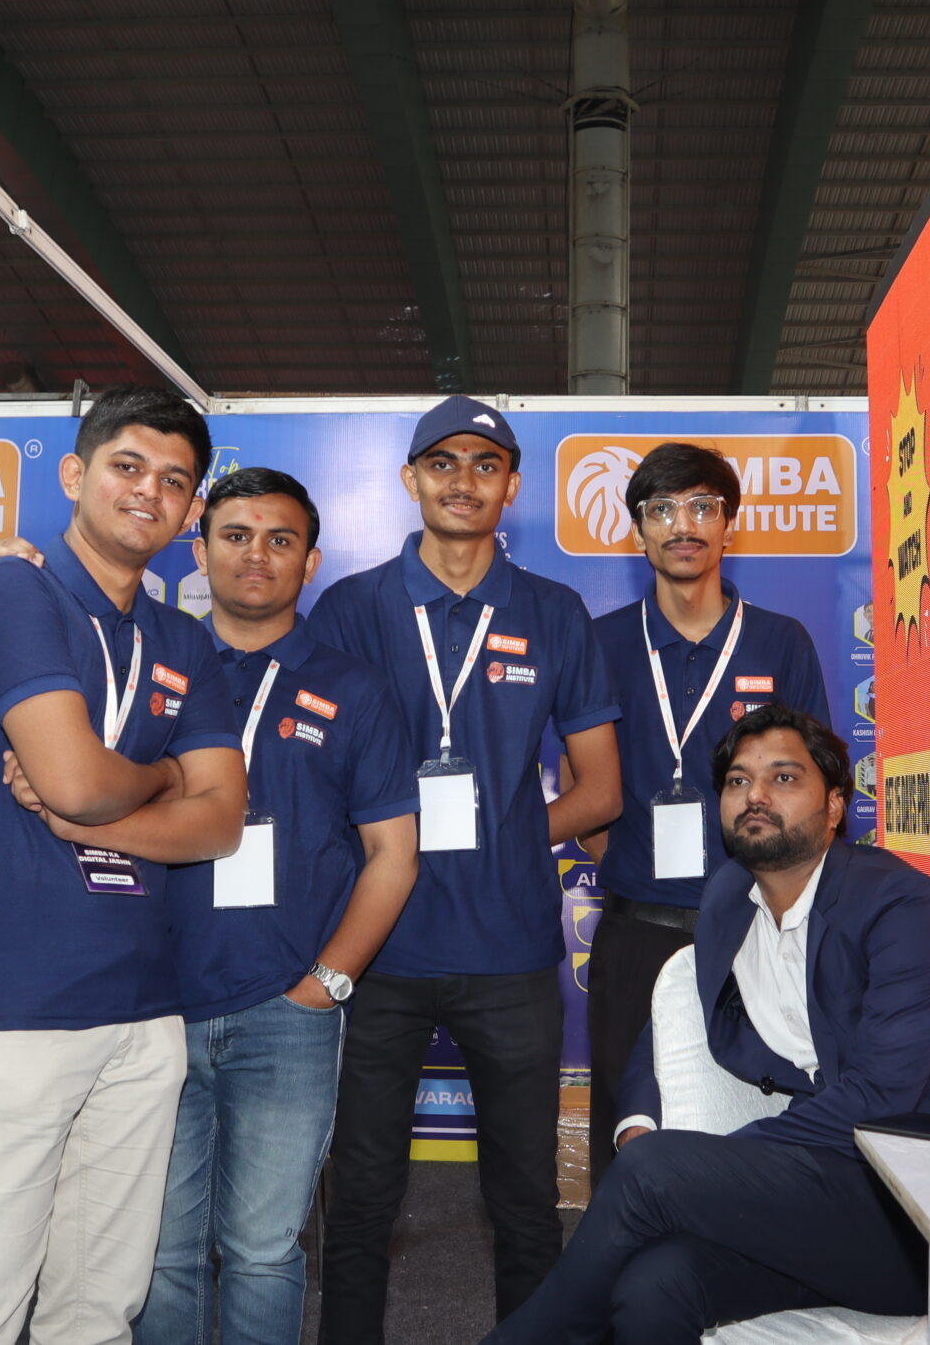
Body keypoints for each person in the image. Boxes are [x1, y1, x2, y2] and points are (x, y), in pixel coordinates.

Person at [0, 468, 425, 1345]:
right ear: (199, 551)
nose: (256, 554)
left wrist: (326, 985)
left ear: (311, 561)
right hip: (151, 1009)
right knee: (160, 1251)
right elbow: (70, 775)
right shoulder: (150, 669)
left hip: (287, 1011)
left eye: (280, 538)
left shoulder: (357, 688)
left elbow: (393, 856)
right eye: (235, 535)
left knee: (263, 1249)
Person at [487, 704, 930, 1345]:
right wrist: (640, 1123)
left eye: (783, 778)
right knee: (653, 1288)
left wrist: (716, 1160)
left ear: (835, 805)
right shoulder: (729, 897)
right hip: (808, 1199)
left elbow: (882, 1096)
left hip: (914, 1212)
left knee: (655, 1173)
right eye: (738, 781)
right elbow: (679, 1007)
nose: (755, 795)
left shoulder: (899, 906)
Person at [0, 384, 249, 1345]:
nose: (149, 491)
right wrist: (162, 776)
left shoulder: (182, 638)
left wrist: (97, 810)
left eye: (174, 481)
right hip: (11, 1011)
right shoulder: (12, 589)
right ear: (74, 473)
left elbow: (220, 820)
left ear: (191, 511)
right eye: (127, 465)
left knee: (100, 1311)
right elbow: (71, 778)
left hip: (142, 1012)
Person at [307, 395, 624, 1342]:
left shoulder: (554, 611)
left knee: (524, 1199)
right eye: (442, 462)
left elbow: (601, 789)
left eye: (486, 464)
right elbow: (314, 768)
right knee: (362, 1195)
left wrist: (509, 833)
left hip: (510, 949)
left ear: (511, 487)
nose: (463, 480)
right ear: (410, 479)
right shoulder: (352, 607)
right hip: (377, 950)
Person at [581, 442, 832, 1185]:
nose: (682, 524)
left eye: (702, 507)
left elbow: (816, 792)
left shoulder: (780, 641)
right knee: (628, 1133)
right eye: (660, 509)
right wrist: (636, 867)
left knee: (759, 1135)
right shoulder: (601, 643)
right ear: (637, 531)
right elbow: (584, 787)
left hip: (757, 931)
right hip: (637, 931)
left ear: (730, 524)